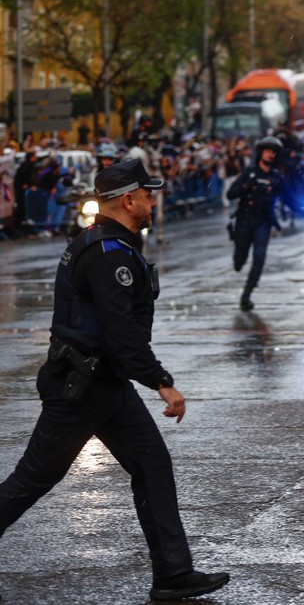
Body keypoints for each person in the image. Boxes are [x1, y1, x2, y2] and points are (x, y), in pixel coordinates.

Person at [0, 159, 230, 601]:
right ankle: (173, 571)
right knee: (31, 480)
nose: (152, 203)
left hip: (105, 384)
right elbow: (121, 332)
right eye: (147, 196)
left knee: (152, 466)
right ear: (128, 200)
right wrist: (161, 382)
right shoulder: (108, 254)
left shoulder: (106, 244)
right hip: (81, 387)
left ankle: (173, 574)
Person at [226, 135, 289, 311]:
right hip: (245, 220)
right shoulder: (250, 172)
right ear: (261, 153)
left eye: (273, 152)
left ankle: (246, 295)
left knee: (259, 257)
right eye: (267, 151)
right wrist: (245, 186)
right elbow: (230, 194)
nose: (270, 155)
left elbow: (289, 197)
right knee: (240, 257)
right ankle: (238, 259)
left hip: (264, 221)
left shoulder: (276, 177)